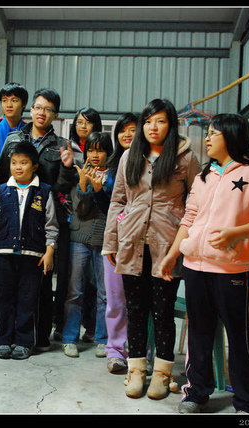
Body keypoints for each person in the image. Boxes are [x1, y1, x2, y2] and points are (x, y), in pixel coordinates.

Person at [159, 114, 249, 414]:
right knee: (199, 333)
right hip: (195, 268)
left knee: (240, 337)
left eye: (213, 133)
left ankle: (247, 402)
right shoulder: (204, 176)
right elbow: (189, 218)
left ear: (231, 135)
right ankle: (196, 393)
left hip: (233, 270)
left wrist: (235, 234)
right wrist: (173, 254)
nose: (207, 138)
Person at [102, 99, 201, 399]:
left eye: (160, 121)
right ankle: (136, 370)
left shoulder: (185, 158)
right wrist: (111, 241)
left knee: (162, 311)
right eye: (147, 121)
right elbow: (117, 201)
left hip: (167, 246)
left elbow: (196, 204)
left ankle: (162, 373)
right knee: (135, 309)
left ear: (171, 125)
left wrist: (184, 243)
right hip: (132, 242)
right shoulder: (129, 156)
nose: (152, 127)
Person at [0, 88, 83, 352]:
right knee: (7, 286)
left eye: (48, 109)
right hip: (12, 220)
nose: (42, 113)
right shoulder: (13, 139)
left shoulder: (62, 145)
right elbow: (0, 178)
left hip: (46, 221)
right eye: (38, 107)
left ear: (56, 114)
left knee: (39, 285)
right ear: (31, 110)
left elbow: (64, 188)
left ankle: (37, 337)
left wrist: (67, 167)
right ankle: (5, 336)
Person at [0, 141, 59, 360]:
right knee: (2, 298)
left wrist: (49, 250)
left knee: (28, 300)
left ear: (34, 166)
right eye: (14, 163)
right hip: (3, 253)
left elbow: (51, 225)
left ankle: (24, 341)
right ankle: (3, 339)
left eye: (23, 163)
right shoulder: (2, 190)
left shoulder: (44, 191)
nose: (18, 167)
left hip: (33, 256)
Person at [0, 82, 29, 341]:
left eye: (15, 100)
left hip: (19, 202)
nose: (9, 104)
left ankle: (14, 316)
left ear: (24, 104)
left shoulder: (28, 132)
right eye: (5, 100)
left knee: (16, 264)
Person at [62, 132, 113, 359]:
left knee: (104, 292)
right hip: (79, 238)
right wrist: (83, 184)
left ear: (108, 153)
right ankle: (69, 338)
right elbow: (80, 209)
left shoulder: (113, 175)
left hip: (104, 239)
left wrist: (100, 188)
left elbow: (111, 209)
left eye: (100, 150)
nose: (94, 155)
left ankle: (102, 339)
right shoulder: (80, 172)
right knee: (75, 290)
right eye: (91, 150)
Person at [103, 112, 138, 374]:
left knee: (139, 302)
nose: (127, 135)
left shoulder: (149, 164)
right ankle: (115, 350)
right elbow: (110, 205)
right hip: (114, 237)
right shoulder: (110, 165)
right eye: (122, 130)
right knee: (115, 299)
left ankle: (140, 352)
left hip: (141, 239)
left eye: (132, 129)